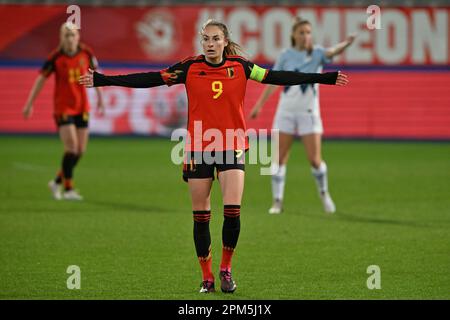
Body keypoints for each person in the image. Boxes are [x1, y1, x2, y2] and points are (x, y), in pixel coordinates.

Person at [79, 19, 348, 293]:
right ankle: (206, 277)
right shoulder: (189, 68)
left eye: (215, 39)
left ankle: (226, 270)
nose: (210, 44)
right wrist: (103, 80)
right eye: (205, 39)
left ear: (225, 42)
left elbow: (278, 77)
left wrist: (323, 78)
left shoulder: (242, 67)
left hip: (231, 144)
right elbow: (149, 79)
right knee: (201, 217)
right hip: (198, 149)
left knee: (232, 212)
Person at [250, 18, 356, 214]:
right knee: (279, 158)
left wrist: (347, 43)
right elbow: (273, 81)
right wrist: (259, 105)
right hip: (286, 111)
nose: (305, 36)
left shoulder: (317, 53)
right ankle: (277, 201)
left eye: (308, 32)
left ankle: (324, 194)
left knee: (315, 160)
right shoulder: (285, 55)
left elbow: (332, 52)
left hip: (309, 112)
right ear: (293, 35)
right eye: (302, 32)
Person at [23, 22, 104, 201]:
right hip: (63, 108)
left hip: (82, 107)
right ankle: (68, 189)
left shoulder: (86, 53)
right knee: (72, 147)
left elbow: (95, 76)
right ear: (61, 38)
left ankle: (56, 182)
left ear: (78, 37)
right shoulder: (55, 57)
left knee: (80, 151)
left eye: (72, 35)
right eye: (66, 35)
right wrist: (29, 104)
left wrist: (101, 98)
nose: (70, 39)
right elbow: (40, 80)